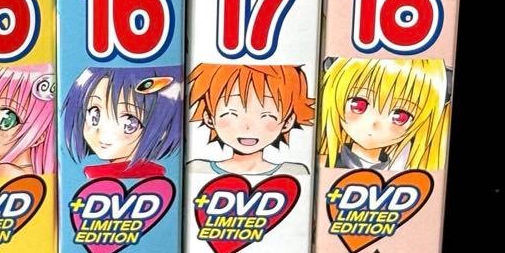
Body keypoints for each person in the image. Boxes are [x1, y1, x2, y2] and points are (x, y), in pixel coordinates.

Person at [318, 57, 450, 173]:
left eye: (400, 117)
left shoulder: (405, 172)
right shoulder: (322, 164)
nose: (374, 123)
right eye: (358, 105)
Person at [187, 63, 313, 178]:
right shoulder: (197, 169)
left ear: (288, 122)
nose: (247, 127)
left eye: (266, 116)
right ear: (209, 118)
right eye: (231, 114)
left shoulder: (293, 172)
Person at [62, 67, 182, 178]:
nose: (104, 135)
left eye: (129, 124)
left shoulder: (97, 175)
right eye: (95, 115)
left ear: (163, 131)